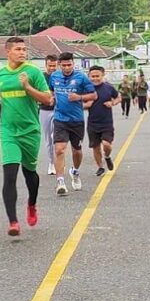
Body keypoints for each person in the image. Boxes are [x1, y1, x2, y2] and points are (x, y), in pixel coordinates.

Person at [0, 37, 52, 235]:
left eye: (24, 49)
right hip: (8, 131)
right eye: (18, 49)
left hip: (30, 130)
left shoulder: (32, 72)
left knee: (30, 174)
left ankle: (32, 204)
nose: (22, 52)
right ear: (7, 52)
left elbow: (48, 99)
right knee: (9, 175)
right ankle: (13, 222)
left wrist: (27, 87)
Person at [49, 52, 96, 194]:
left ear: (73, 63)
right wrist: (51, 98)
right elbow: (50, 91)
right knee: (59, 149)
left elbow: (93, 95)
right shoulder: (54, 77)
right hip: (59, 118)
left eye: (69, 65)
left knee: (77, 151)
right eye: (64, 65)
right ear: (59, 65)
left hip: (76, 120)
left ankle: (75, 172)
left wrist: (79, 97)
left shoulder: (81, 77)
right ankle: (60, 182)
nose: (67, 67)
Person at [86, 66, 120, 176]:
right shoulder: (86, 89)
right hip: (92, 123)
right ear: (89, 76)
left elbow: (118, 97)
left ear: (103, 75)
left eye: (97, 76)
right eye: (93, 76)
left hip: (106, 123)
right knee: (95, 147)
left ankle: (107, 156)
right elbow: (78, 103)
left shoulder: (108, 88)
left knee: (106, 144)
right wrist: (86, 105)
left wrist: (112, 103)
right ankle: (100, 167)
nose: (95, 78)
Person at [39, 54, 58, 175]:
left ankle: (58, 161)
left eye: (54, 66)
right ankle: (51, 163)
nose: (52, 68)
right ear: (46, 65)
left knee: (56, 137)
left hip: (59, 110)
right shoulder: (41, 77)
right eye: (50, 66)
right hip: (45, 110)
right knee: (48, 139)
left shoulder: (60, 76)